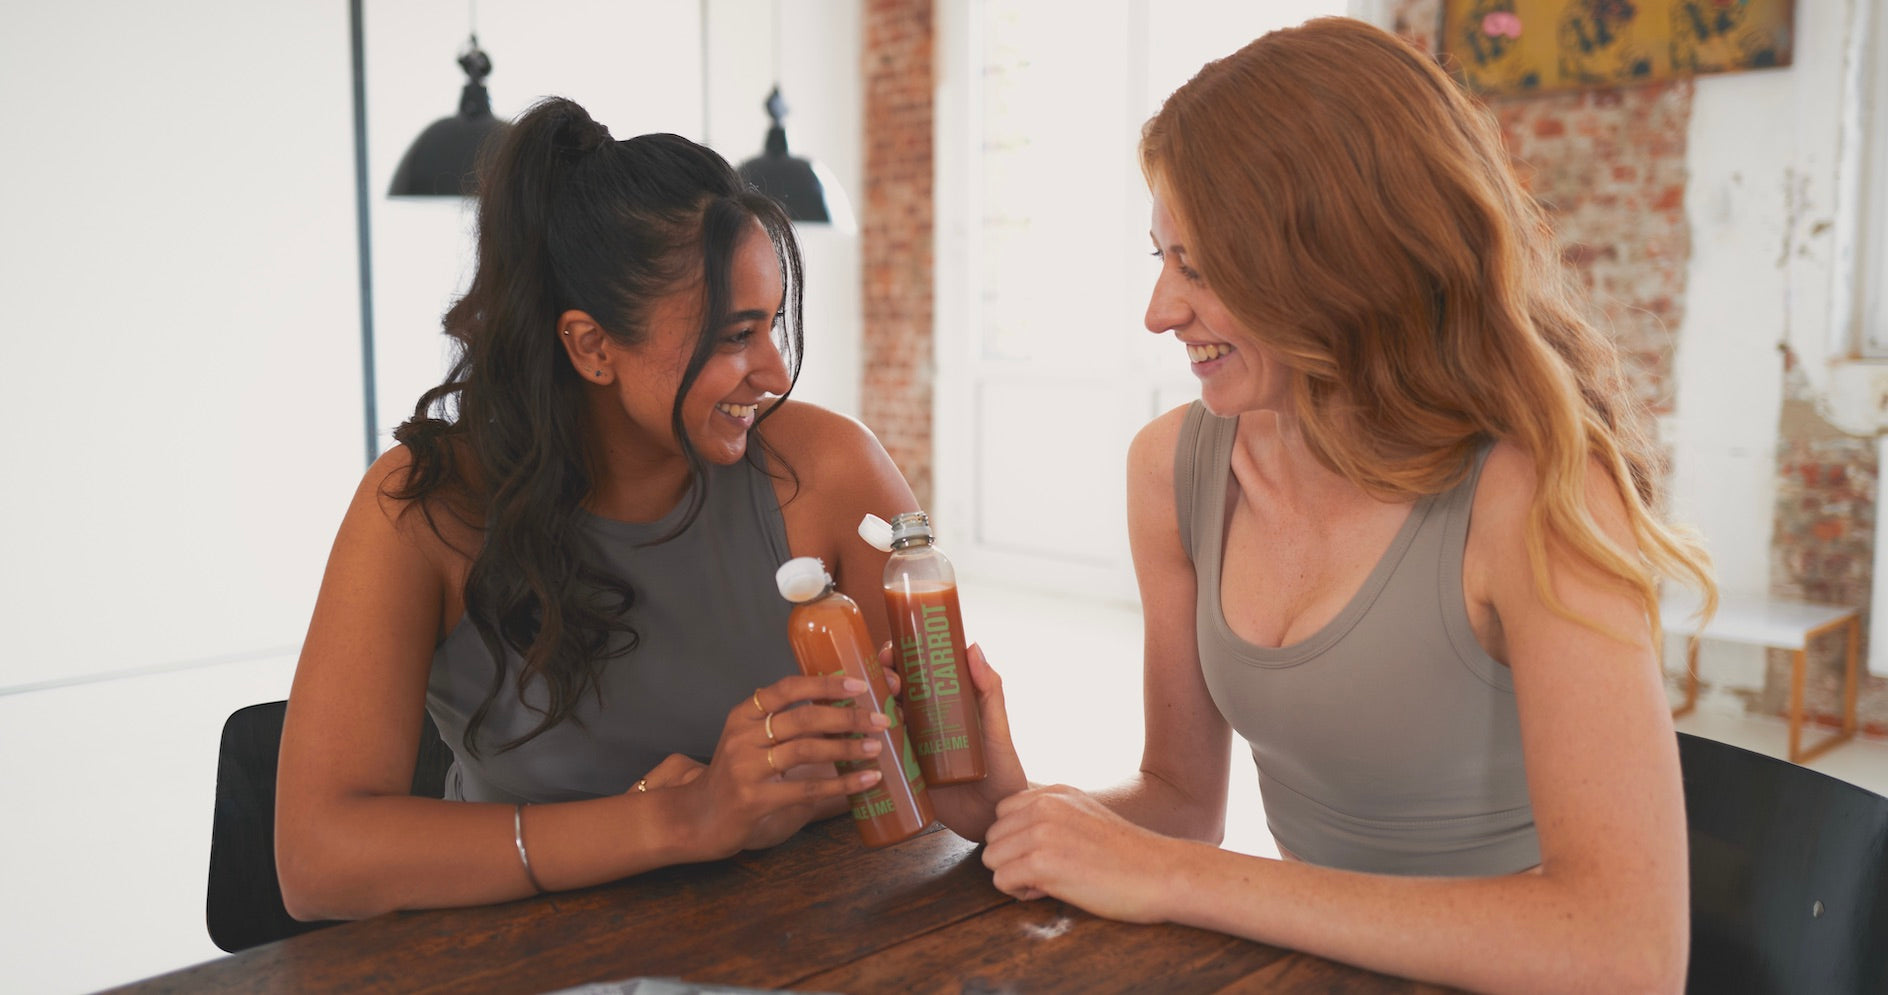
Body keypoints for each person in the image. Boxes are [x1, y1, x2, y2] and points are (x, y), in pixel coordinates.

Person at [973, 17, 1716, 994]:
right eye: (1161, 255)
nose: (1157, 309)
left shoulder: (1537, 493)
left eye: (1196, 266)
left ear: (1335, 264)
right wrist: (1011, 805)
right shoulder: (1173, 469)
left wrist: (1179, 877)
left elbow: (1626, 953)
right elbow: (1180, 801)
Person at [274, 95, 980, 919]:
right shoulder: (424, 509)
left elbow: (946, 756)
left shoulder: (826, 468)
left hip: (795, 933)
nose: (776, 371)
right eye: (732, 335)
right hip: (523, 956)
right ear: (591, 345)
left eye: (774, 325)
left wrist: (804, 781)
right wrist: (680, 819)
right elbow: (318, 857)